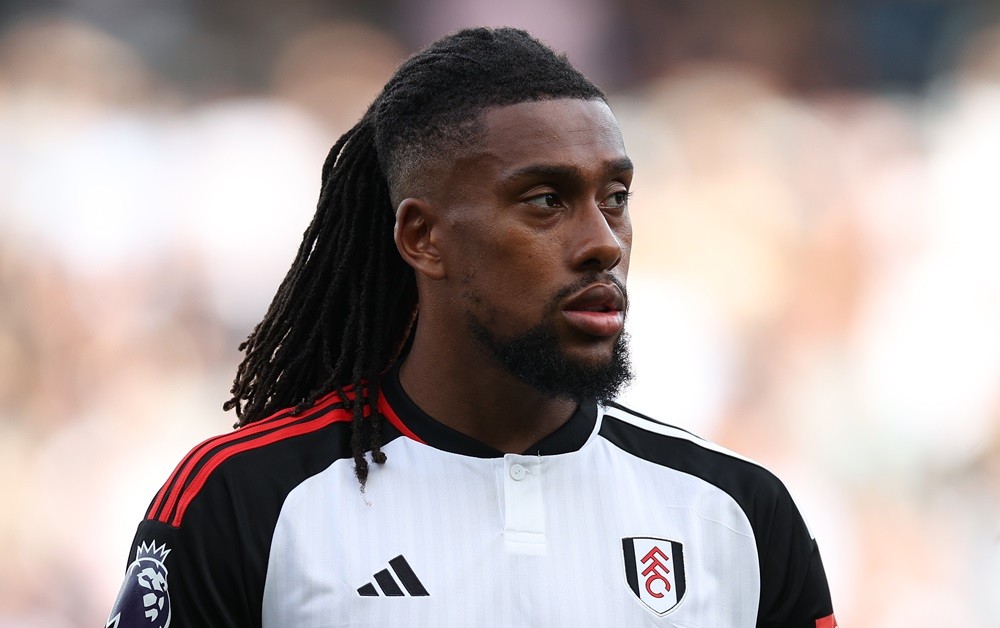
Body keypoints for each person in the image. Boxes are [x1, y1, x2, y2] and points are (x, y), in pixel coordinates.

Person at [107, 27, 836, 628]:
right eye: (547, 201)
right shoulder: (246, 498)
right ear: (423, 237)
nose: (603, 242)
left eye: (614, 197)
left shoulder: (735, 512)